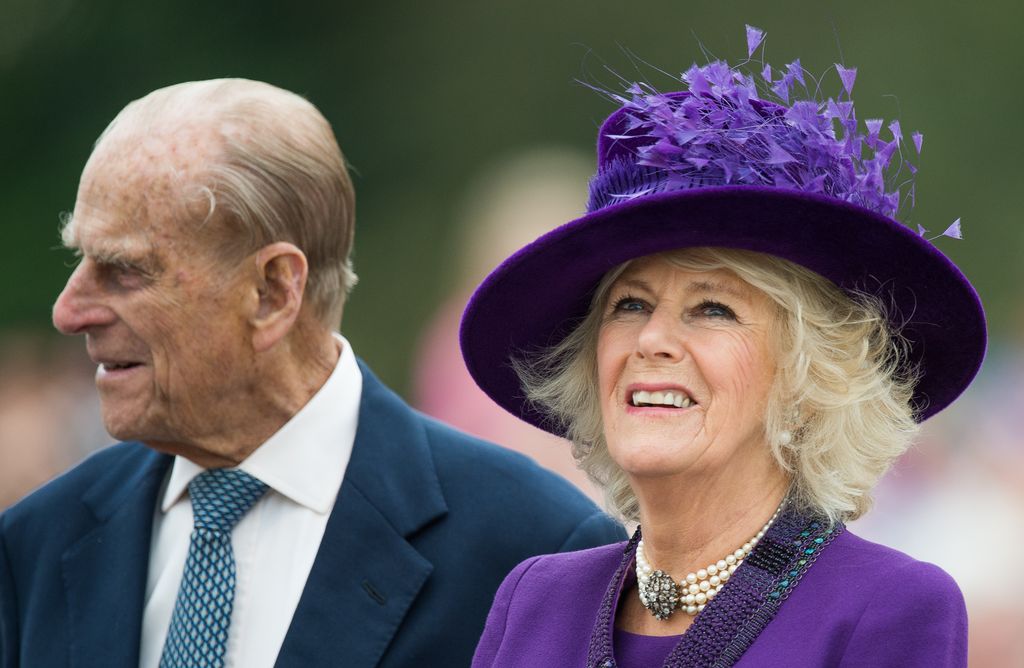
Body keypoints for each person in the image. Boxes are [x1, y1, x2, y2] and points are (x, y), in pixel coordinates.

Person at [0, 78, 624, 668]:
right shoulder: (36, 542)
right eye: (80, 260)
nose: (68, 311)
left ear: (273, 291)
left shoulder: (535, 548)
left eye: (124, 270)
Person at [462, 27, 985, 668]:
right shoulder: (535, 600)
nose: (652, 340)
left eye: (714, 309)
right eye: (630, 305)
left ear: (806, 376)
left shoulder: (889, 607)